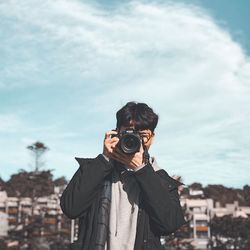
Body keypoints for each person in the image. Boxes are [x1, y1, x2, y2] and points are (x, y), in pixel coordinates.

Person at [60, 101, 186, 250]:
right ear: (116, 133)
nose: (136, 140)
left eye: (143, 136)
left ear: (152, 138)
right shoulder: (95, 169)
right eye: (129, 133)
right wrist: (105, 159)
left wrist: (142, 170)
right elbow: (70, 208)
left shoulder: (162, 180)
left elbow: (169, 224)